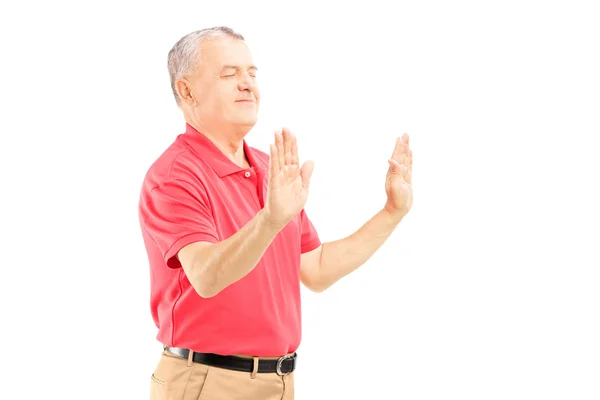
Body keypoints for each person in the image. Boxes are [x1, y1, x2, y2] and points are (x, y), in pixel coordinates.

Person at [138, 26, 413, 400]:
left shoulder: (271, 172)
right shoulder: (174, 176)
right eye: (229, 73)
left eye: (252, 73)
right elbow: (206, 276)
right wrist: (270, 220)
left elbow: (315, 269)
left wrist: (391, 213)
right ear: (186, 91)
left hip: (279, 381)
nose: (247, 84)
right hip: (206, 381)